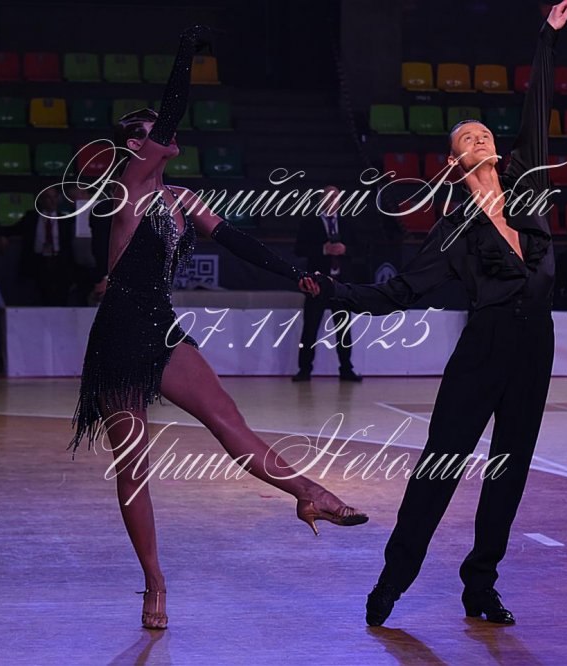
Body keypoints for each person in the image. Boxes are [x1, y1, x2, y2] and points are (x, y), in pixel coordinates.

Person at [69, 26, 367, 631]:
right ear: (136, 146)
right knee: (134, 468)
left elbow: (237, 241)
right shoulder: (130, 188)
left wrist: (296, 273)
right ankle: (154, 582)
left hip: (162, 328)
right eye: (153, 130)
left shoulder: (182, 198)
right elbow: (173, 107)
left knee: (231, 423)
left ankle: (308, 494)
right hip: (120, 335)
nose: (166, 133)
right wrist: (185, 52)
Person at [316, 0, 567, 626]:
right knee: (442, 464)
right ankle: (394, 580)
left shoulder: (528, 187)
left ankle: (480, 586)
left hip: (535, 345)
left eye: (484, 133)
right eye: (466, 138)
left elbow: (536, 109)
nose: (479, 137)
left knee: (509, 471)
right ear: (455, 162)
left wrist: (546, 39)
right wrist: (334, 292)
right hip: (484, 347)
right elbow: (402, 292)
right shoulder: (454, 229)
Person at [292, 185, 363, 382]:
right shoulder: (310, 223)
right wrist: (323, 249)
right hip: (317, 284)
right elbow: (299, 249)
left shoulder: (347, 223)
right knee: (310, 327)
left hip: (340, 284)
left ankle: (346, 368)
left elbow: (361, 249)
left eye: (336, 198)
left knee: (343, 328)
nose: (332, 202)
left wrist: (345, 249)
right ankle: (304, 369)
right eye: (328, 198)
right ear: (321, 200)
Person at [0, 187, 76, 306]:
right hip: (37, 262)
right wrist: (3, 236)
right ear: (41, 200)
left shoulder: (66, 220)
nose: (52, 201)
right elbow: (12, 229)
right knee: (37, 299)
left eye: (54, 197)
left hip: (59, 264)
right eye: (48, 197)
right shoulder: (31, 218)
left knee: (60, 299)